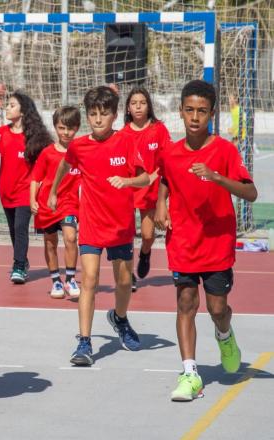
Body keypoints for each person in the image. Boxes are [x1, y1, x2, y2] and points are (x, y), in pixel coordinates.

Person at [155, 80, 257, 401]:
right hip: (182, 240)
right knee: (186, 302)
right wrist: (160, 204)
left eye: (201, 111)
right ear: (181, 112)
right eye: (189, 110)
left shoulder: (224, 150)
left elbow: (250, 193)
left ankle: (224, 334)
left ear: (212, 113)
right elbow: (164, 179)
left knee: (217, 308)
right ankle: (190, 374)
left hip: (217, 242)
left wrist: (216, 176)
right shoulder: (170, 152)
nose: (195, 117)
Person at [47, 86, 150, 366]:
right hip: (91, 224)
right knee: (89, 279)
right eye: (93, 114)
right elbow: (64, 166)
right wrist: (54, 191)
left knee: (124, 281)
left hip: (120, 226)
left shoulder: (127, 142)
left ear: (115, 115)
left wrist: (127, 181)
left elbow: (146, 179)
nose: (98, 120)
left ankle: (120, 319)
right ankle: (84, 342)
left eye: (103, 114)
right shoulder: (79, 146)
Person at [0, 91, 52, 284]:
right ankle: (23, 260)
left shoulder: (36, 137)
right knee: (13, 229)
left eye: (12, 105)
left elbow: (50, 159)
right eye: (7, 104)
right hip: (6, 191)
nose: (7, 108)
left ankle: (18, 265)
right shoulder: (1, 133)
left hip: (26, 193)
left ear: (23, 111)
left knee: (20, 227)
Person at [121, 87, 171, 290]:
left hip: (150, 191)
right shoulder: (123, 134)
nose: (138, 106)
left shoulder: (158, 130)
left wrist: (158, 179)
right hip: (127, 189)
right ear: (128, 108)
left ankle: (145, 253)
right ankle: (129, 274)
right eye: (134, 103)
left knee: (148, 235)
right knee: (126, 235)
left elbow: (168, 158)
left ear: (149, 105)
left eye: (142, 102)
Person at [30, 106, 81, 298]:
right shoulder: (47, 153)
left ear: (77, 128)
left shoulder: (81, 151)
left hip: (70, 204)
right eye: (61, 128)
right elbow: (35, 178)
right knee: (50, 243)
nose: (66, 132)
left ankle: (70, 279)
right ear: (55, 127)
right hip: (47, 205)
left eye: (70, 128)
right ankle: (56, 281)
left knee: (70, 237)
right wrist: (32, 200)